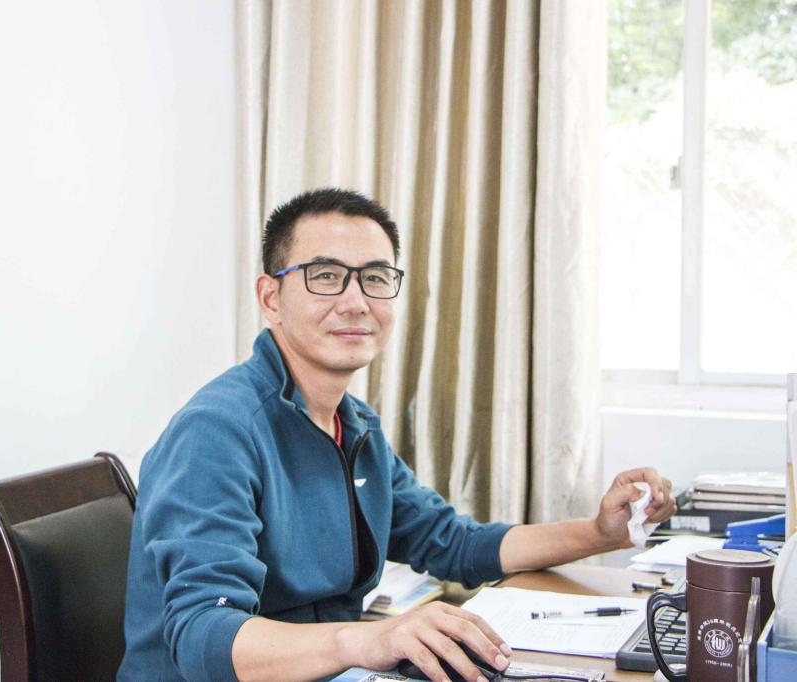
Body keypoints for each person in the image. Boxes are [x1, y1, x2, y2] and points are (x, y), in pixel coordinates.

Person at [118, 188, 675, 682]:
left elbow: (454, 544)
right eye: (325, 276)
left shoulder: (354, 423)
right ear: (271, 298)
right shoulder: (216, 432)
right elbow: (204, 637)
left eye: (376, 278)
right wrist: (368, 639)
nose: (356, 301)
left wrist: (601, 533)